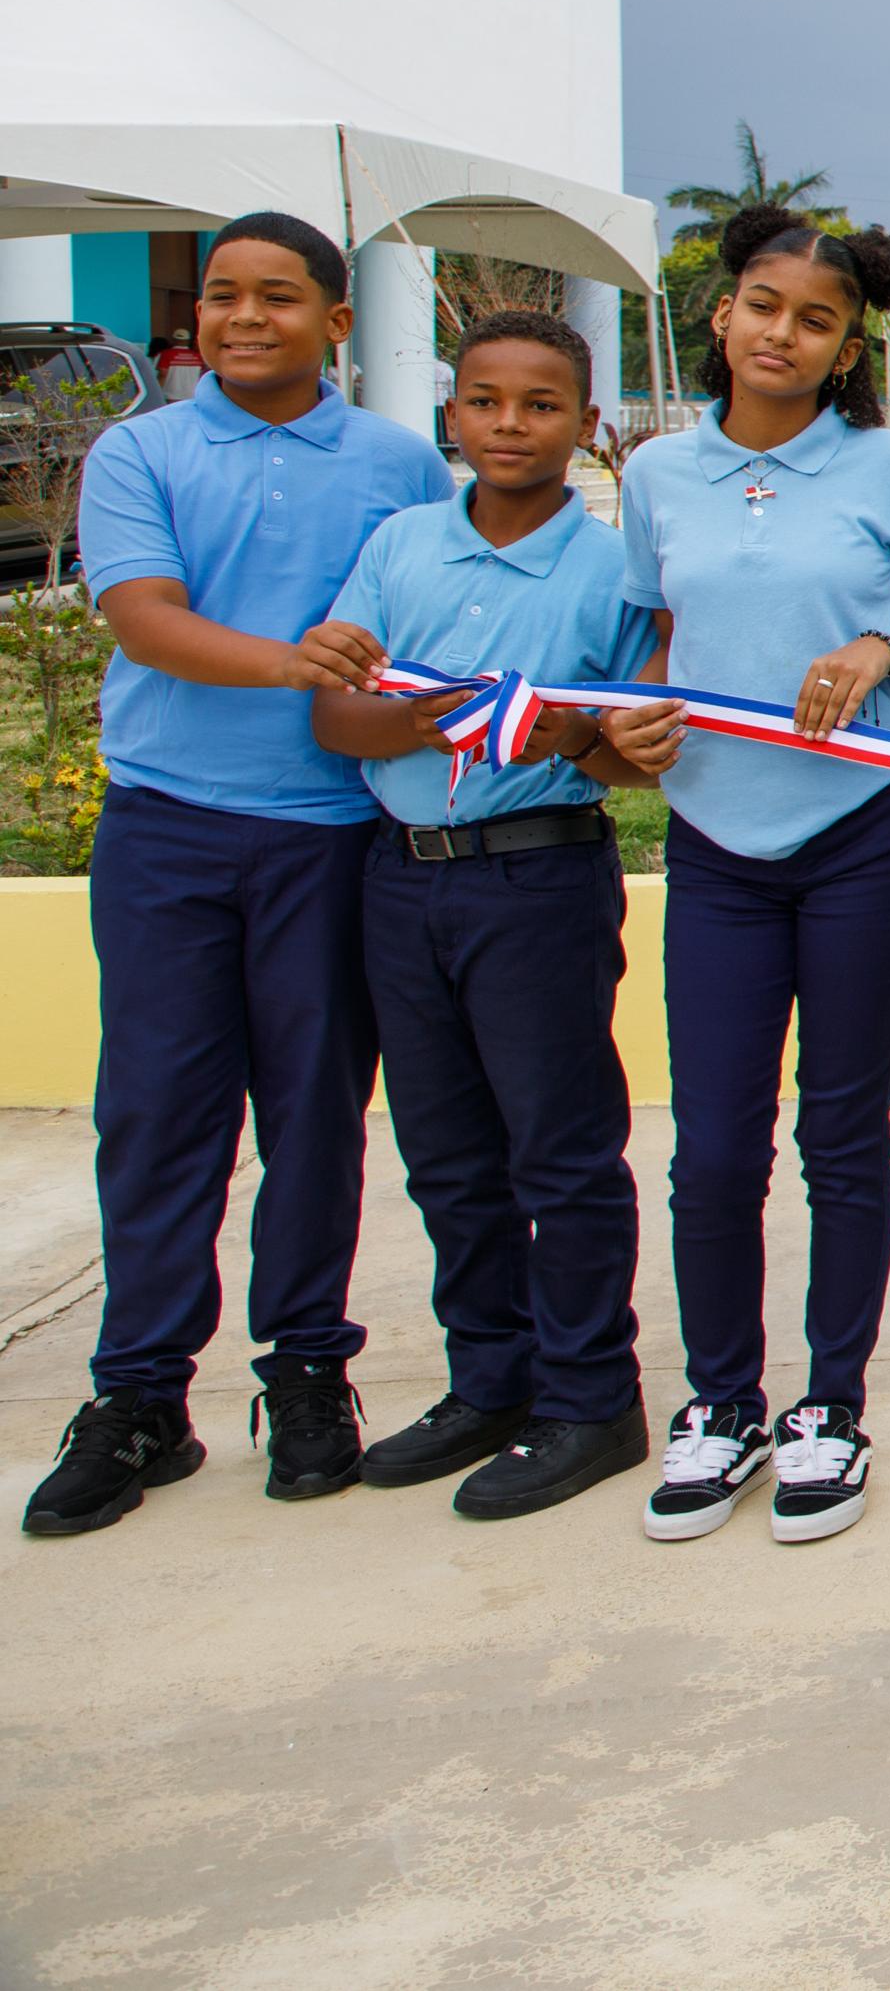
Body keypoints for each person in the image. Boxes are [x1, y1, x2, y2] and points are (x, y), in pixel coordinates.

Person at [22, 215, 450, 1537]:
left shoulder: (398, 463)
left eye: (278, 296)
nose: (243, 316)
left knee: (314, 1111)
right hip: (169, 826)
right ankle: (141, 1395)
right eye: (221, 296)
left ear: (336, 320)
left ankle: (307, 1370)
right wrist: (294, 663)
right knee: (158, 1113)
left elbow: (437, 612)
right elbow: (140, 613)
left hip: (329, 831)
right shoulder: (139, 449)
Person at [619, 206, 890, 1545]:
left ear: (844, 349)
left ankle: (830, 1407)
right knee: (713, 1147)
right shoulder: (658, 477)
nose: (783, 332)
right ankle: (721, 1404)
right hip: (717, 845)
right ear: (723, 316)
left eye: (816, 319)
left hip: (860, 846)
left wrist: (884, 654)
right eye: (764, 305)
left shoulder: (888, 473)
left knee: (842, 1132)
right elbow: (641, 651)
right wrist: (630, 723)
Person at [301, 311, 684, 1522]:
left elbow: (633, 753)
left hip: (535, 877)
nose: (509, 424)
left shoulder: (612, 569)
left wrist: (562, 730)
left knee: (559, 1151)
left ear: (587, 425)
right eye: (484, 400)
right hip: (401, 874)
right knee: (448, 1153)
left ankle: (589, 1397)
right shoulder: (401, 544)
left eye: (540, 404)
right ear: (451, 413)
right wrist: (441, 711)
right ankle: (492, 1380)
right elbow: (335, 718)